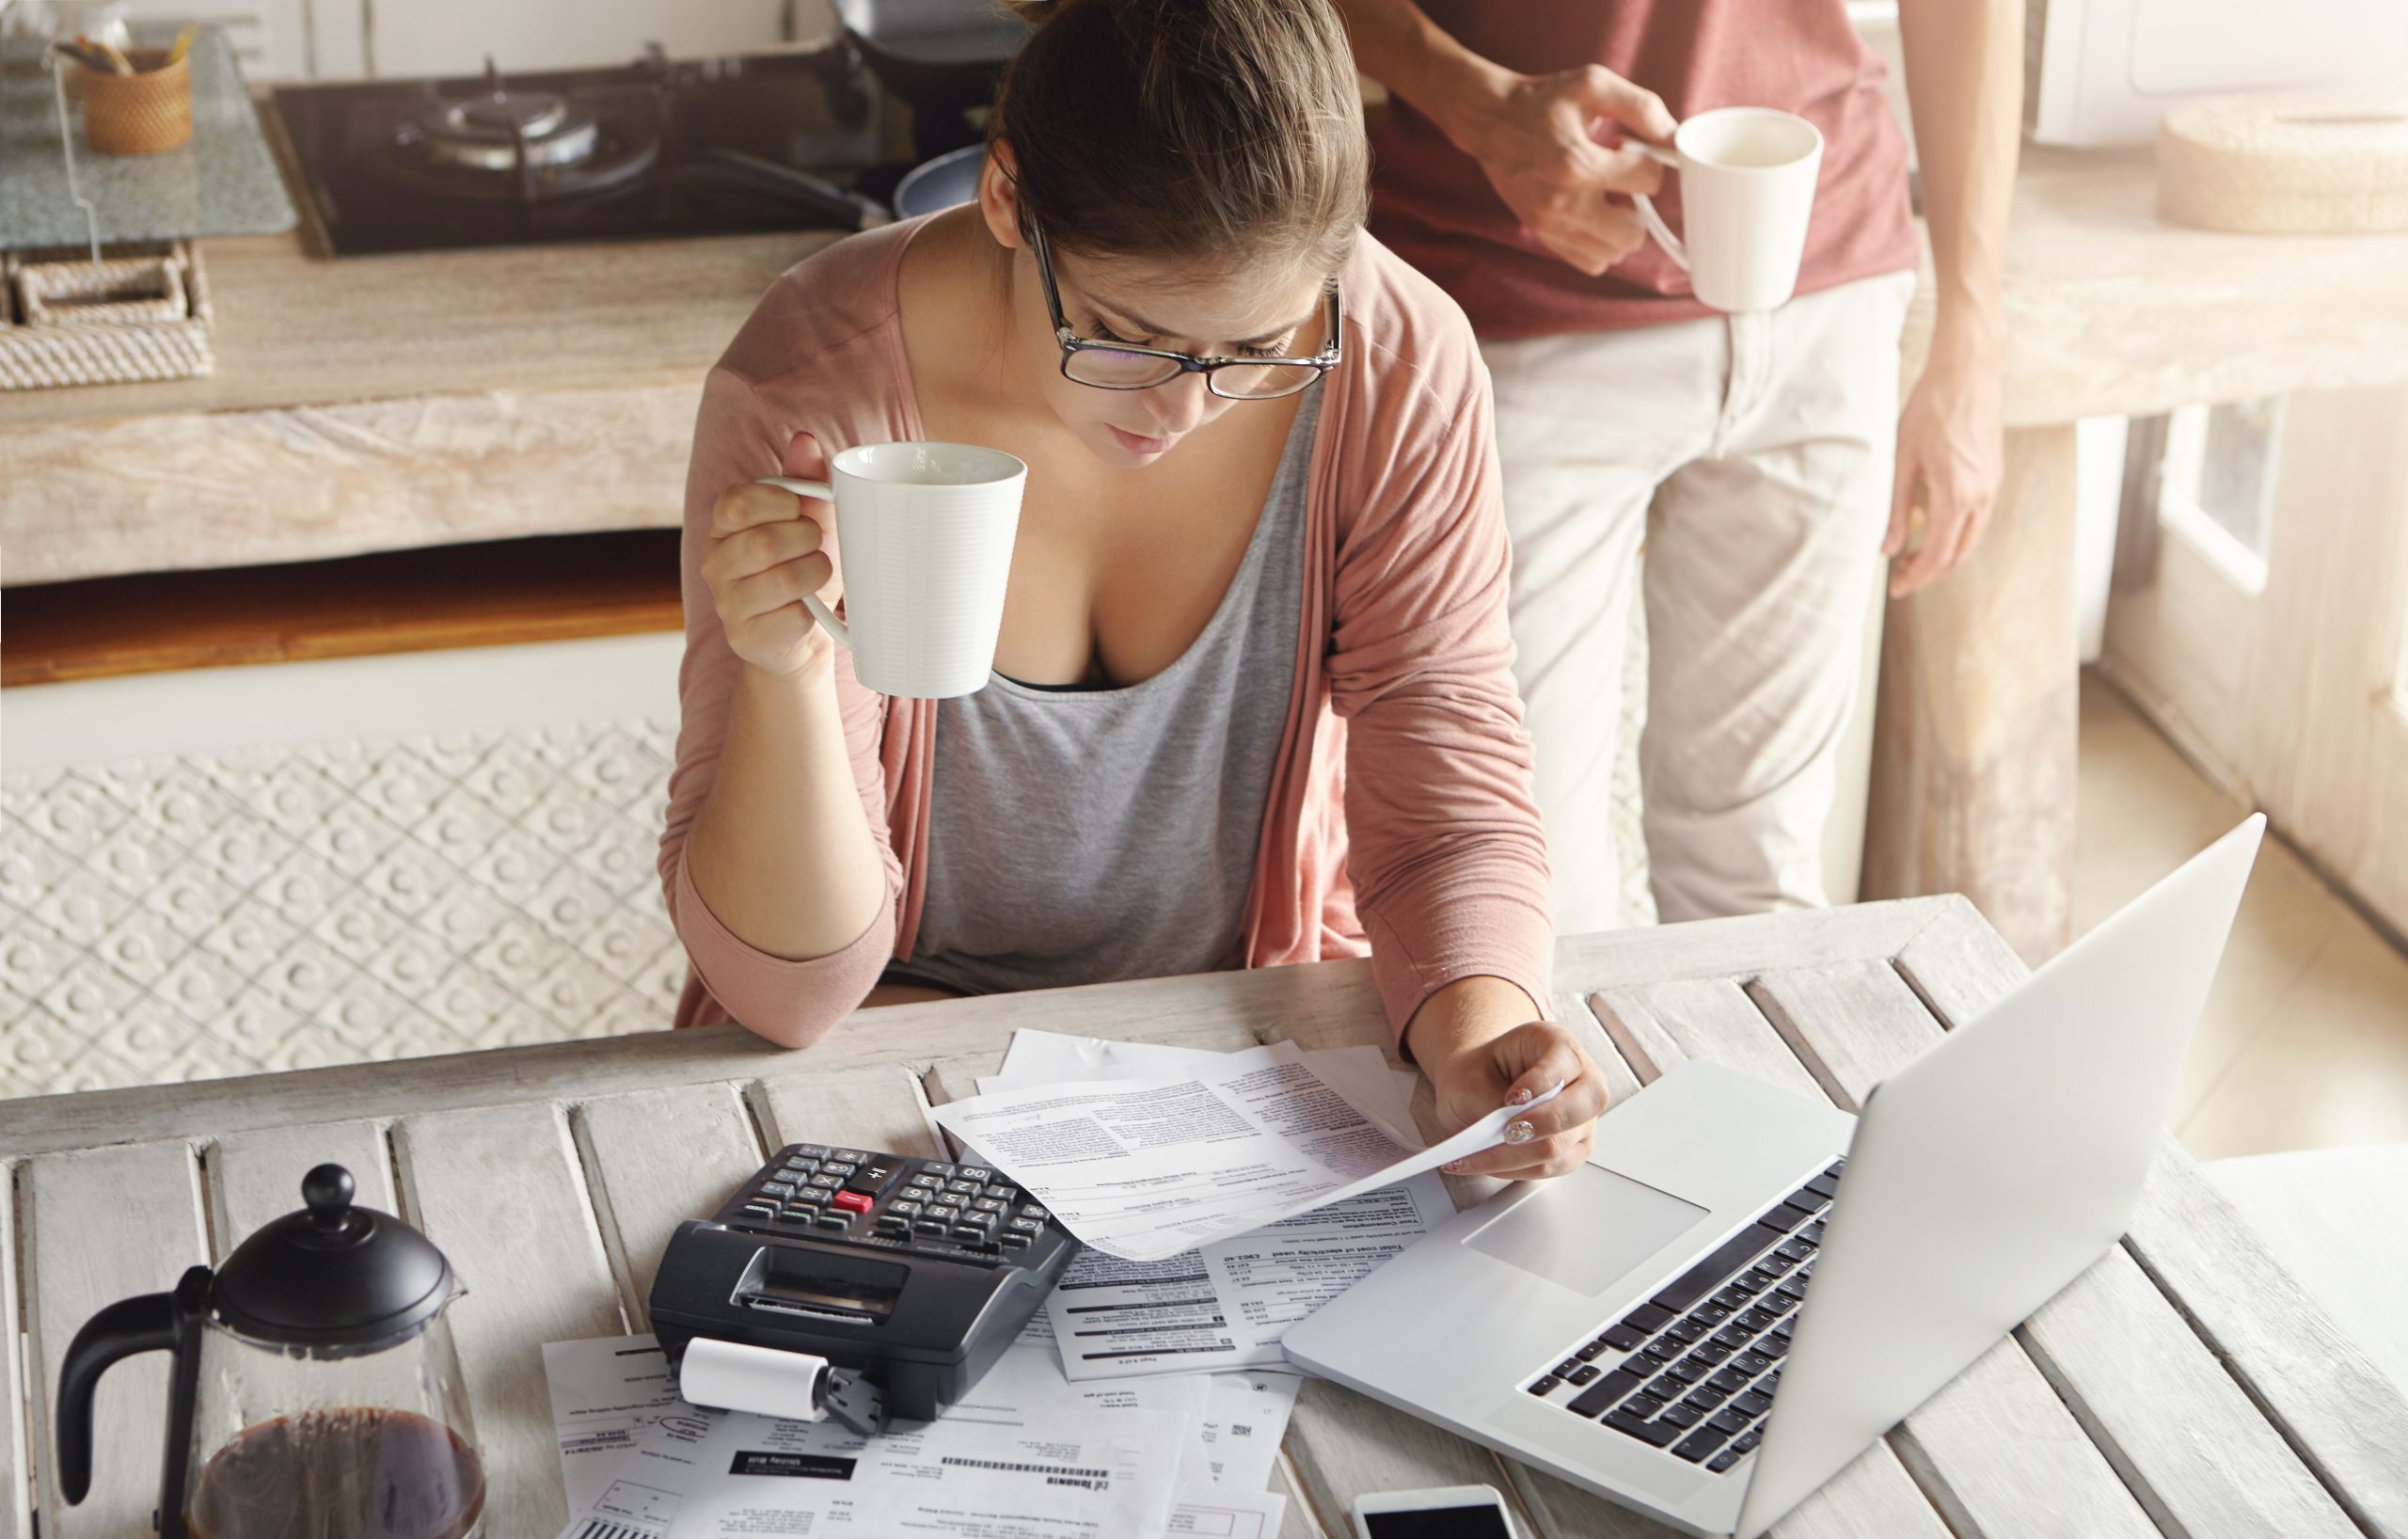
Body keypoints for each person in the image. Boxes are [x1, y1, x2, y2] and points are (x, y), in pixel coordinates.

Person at [658, 0, 1610, 1180]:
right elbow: (783, 997)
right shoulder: (811, 393)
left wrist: (1479, 1029)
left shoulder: (1396, 361)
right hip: (878, 1065)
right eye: (1124, 336)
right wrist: (788, 675)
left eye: (1257, 352)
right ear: (1008, 200)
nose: (1182, 411)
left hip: (1232, 1068)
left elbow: (1441, 773)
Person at [1337, 0, 2019, 932]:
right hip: (1507, 296)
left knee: (1759, 879)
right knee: (1524, 899)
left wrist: (1971, 339)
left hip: (1826, 279)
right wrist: (1478, 103)